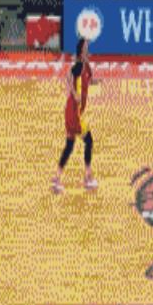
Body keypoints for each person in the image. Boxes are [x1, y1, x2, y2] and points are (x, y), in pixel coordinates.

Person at [52, 39, 98, 193]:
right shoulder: (78, 66)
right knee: (89, 140)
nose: (87, 50)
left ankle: (57, 178)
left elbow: (89, 80)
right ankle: (88, 177)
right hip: (74, 112)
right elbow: (68, 76)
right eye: (85, 48)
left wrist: (97, 81)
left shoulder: (86, 66)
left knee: (70, 146)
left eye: (87, 48)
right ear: (80, 51)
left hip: (73, 112)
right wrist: (73, 93)